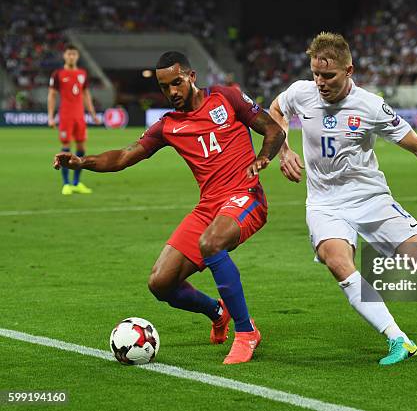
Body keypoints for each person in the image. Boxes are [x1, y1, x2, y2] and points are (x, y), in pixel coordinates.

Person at [269, 32, 417, 366]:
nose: (320, 82)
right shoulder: (300, 93)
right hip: (324, 204)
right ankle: (399, 339)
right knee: (338, 262)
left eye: (328, 75)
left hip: (370, 199)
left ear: (349, 70)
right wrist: (284, 149)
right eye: (315, 74)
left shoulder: (370, 106)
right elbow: (276, 109)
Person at [54, 52, 286, 364]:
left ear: (192, 76)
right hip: (209, 207)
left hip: (246, 197)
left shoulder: (226, 97)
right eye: (165, 87)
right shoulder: (168, 125)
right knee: (160, 283)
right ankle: (218, 311)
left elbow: (274, 129)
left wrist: (263, 156)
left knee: (211, 243)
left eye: (177, 83)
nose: (172, 92)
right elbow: (124, 156)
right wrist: (83, 162)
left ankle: (247, 332)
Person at [48, 44, 101, 195]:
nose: (71, 56)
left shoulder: (83, 73)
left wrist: (93, 114)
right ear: (64, 55)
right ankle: (66, 184)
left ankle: (76, 183)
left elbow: (86, 94)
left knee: (81, 149)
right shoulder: (57, 74)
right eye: (69, 54)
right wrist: (51, 117)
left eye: (74, 54)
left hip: (80, 116)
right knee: (65, 148)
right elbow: (52, 95)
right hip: (65, 116)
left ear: (77, 56)